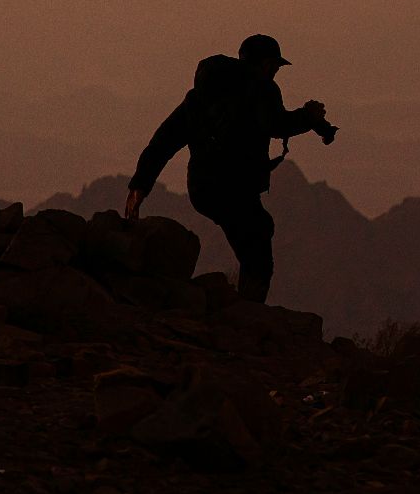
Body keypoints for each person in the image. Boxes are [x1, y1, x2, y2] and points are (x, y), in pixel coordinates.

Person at [124, 34, 332, 303]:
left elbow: (164, 140)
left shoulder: (200, 96)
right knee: (257, 245)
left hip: (202, 188)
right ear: (266, 64)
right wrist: (308, 116)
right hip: (236, 187)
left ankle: (241, 307)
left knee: (256, 230)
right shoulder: (262, 88)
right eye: (276, 67)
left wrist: (140, 185)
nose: (276, 73)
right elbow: (276, 124)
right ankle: (247, 313)